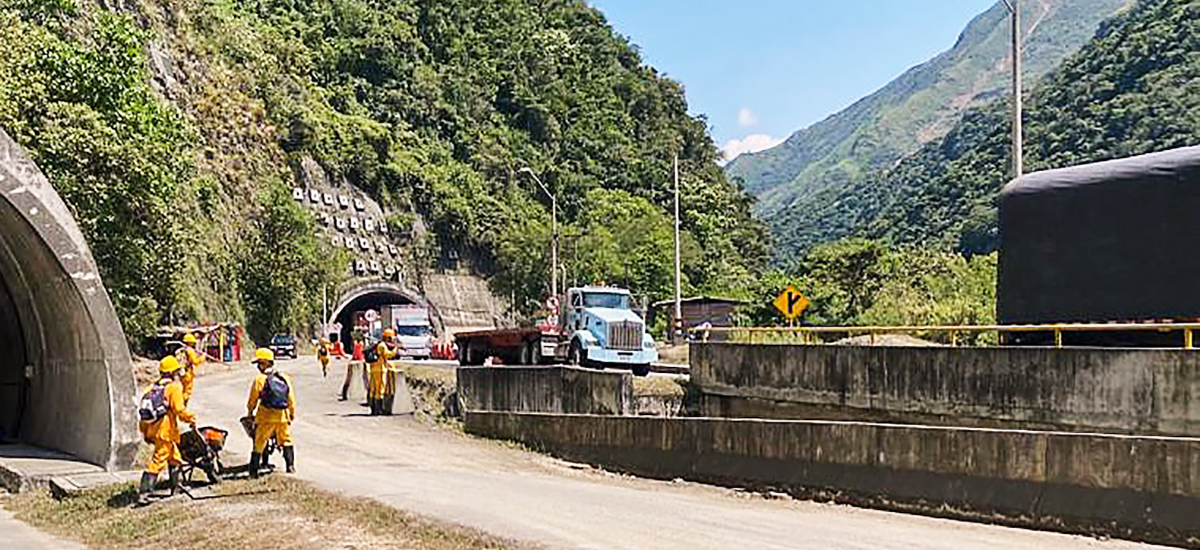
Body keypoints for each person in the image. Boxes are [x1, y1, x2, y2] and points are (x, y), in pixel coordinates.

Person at [138, 356, 197, 505]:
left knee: (175, 457)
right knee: (158, 460)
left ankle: (175, 488)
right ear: (173, 372)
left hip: (154, 429)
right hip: (166, 431)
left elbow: (144, 413)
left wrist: (145, 432)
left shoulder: (152, 387)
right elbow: (179, 410)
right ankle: (144, 494)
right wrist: (191, 418)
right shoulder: (174, 387)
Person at [246, 348, 297, 477]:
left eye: (259, 363)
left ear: (265, 363)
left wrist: (250, 412)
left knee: (259, 443)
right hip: (282, 417)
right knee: (286, 440)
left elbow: (253, 399)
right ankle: (290, 466)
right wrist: (291, 414)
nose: (258, 366)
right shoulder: (284, 377)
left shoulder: (260, 380)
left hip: (265, 418)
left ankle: (253, 471)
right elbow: (290, 398)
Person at [367, 328, 400, 415]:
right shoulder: (382, 346)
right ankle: (378, 409)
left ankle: (373, 409)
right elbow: (388, 355)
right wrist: (396, 349)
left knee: (373, 389)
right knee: (380, 390)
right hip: (380, 370)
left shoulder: (379, 344)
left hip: (373, 369)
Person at [180, 332, 204, 404]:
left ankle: (181, 404)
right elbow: (195, 361)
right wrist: (203, 357)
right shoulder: (190, 351)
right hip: (188, 372)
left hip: (183, 372)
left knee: (183, 389)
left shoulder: (183, 349)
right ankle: (183, 406)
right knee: (187, 390)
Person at [341, 336, 365, 401]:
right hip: (358, 359)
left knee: (349, 378)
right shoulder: (359, 344)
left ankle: (345, 393)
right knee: (349, 378)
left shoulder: (358, 344)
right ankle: (344, 393)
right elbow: (356, 353)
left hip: (358, 359)